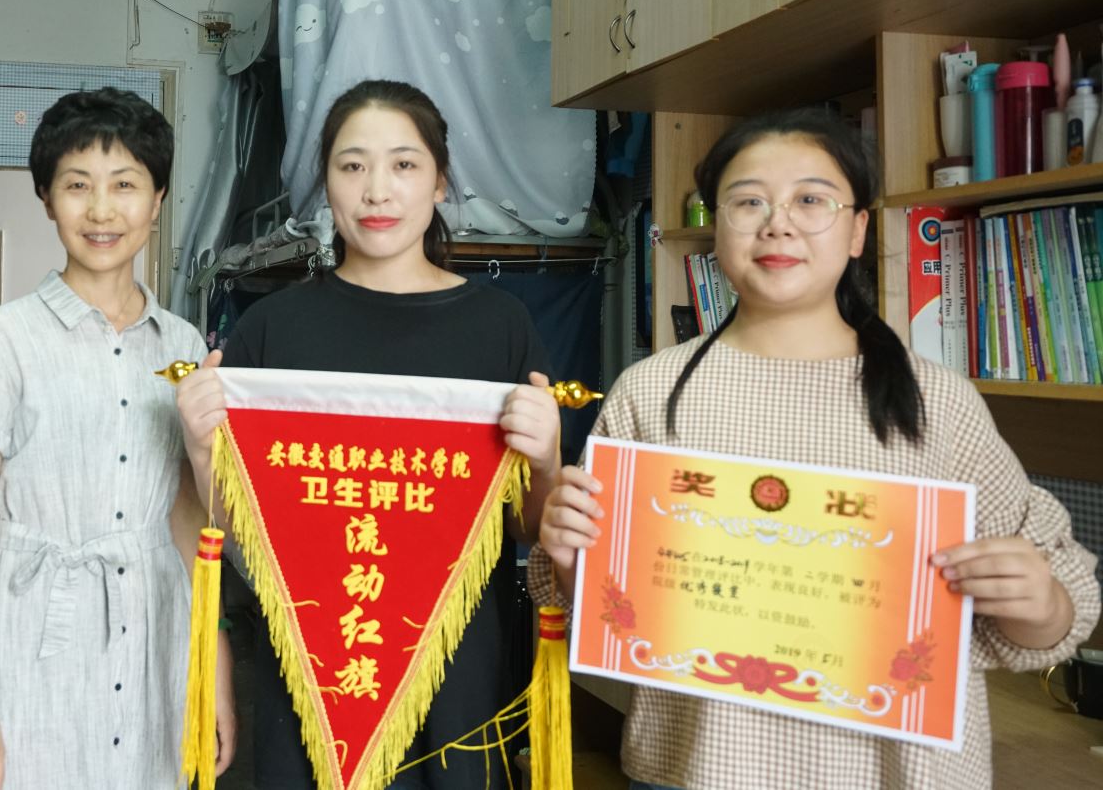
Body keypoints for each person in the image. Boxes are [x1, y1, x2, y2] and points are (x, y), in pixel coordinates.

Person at [531, 107, 1101, 790]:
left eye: (811, 199)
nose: (778, 223)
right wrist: (572, 560)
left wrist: (1038, 602)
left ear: (857, 229)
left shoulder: (938, 402)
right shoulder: (649, 392)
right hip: (698, 766)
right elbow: (595, 604)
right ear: (716, 227)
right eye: (749, 201)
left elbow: (1055, 606)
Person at [175, 79, 563, 788]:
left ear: (439, 181)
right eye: (351, 165)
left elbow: (527, 526)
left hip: (454, 672)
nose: (376, 190)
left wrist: (546, 457)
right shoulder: (272, 328)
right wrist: (204, 451)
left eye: (404, 164)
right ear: (326, 183)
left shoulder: (500, 326)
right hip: (310, 676)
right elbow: (239, 534)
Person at [0, 88, 235, 790]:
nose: (102, 211)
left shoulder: (184, 346)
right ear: (47, 199)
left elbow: (192, 525)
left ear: (157, 200)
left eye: (125, 185)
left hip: (155, 635)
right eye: (77, 185)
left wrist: (212, 670)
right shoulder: (4, 338)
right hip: (30, 633)